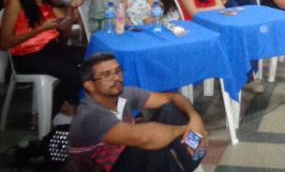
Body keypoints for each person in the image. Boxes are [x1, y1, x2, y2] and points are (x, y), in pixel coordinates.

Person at [68, 53, 207, 172]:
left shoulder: (124, 94)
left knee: (171, 109)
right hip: (103, 168)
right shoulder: (90, 116)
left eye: (118, 71)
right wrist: (187, 129)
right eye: (106, 74)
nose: (117, 78)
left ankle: (190, 161)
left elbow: (173, 97)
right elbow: (144, 138)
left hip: (124, 155)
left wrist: (194, 118)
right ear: (90, 85)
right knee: (148, 146)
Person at [0, 0, 84, 119]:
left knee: (91, 55)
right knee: (74, 73)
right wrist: (38, 29)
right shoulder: (16, 2)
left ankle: (68, 104)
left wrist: (71, 11)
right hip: (26, 56)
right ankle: (48, 113)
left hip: (50, 48)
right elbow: (4, 43)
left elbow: (64, 32)